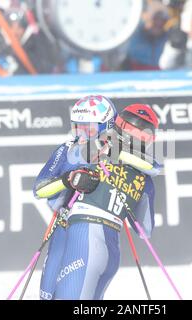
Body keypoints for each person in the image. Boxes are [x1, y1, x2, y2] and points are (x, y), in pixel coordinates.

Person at [34, 96, 160, 300]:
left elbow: (154, 166)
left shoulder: (123, 156)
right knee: (48, 296)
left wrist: (115, 155)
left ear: (109, 126)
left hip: (86, 234)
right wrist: (68, 180)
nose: (82, 135)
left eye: (89, 130)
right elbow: (39, 190)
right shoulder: (68, 149)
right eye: (77, 128)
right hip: (63, 231)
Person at [0, 4, 57, 76]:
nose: (15, 31)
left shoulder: (36, 46)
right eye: (11, 26)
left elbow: (44, 69)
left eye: (19, 26)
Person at [123, 0, 170, 70]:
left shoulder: (166, 38)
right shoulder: (135, 34)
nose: (159, 23)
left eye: (162, 20)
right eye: (156, 19)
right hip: (134, 71)